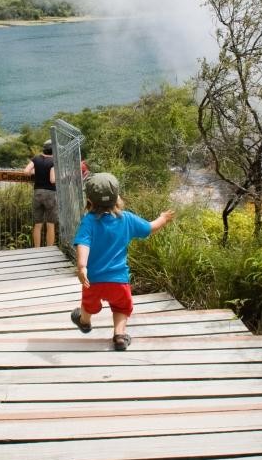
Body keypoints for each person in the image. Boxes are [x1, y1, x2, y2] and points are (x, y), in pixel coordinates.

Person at [69, 172, 174, 350]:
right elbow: (150, 227)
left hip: (93, 280)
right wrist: (162, 218)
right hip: (119, 280)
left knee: (88, 305)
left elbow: (83, 244)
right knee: (122, 307)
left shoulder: (89, 221)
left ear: (90, 200)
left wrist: (82, 266)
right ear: (117, 197)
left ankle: (84, 322)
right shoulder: (126, 219)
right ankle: (119, 336)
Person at [23, 140, 57, 247]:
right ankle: (49, 249)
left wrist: (36, 171)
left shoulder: (36, 159)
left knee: (37, 224)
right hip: (50, 194)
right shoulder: (53, 161)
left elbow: (26, 171)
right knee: (50, 224)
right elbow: (52, 179)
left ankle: (37, 249)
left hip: (37, 193)